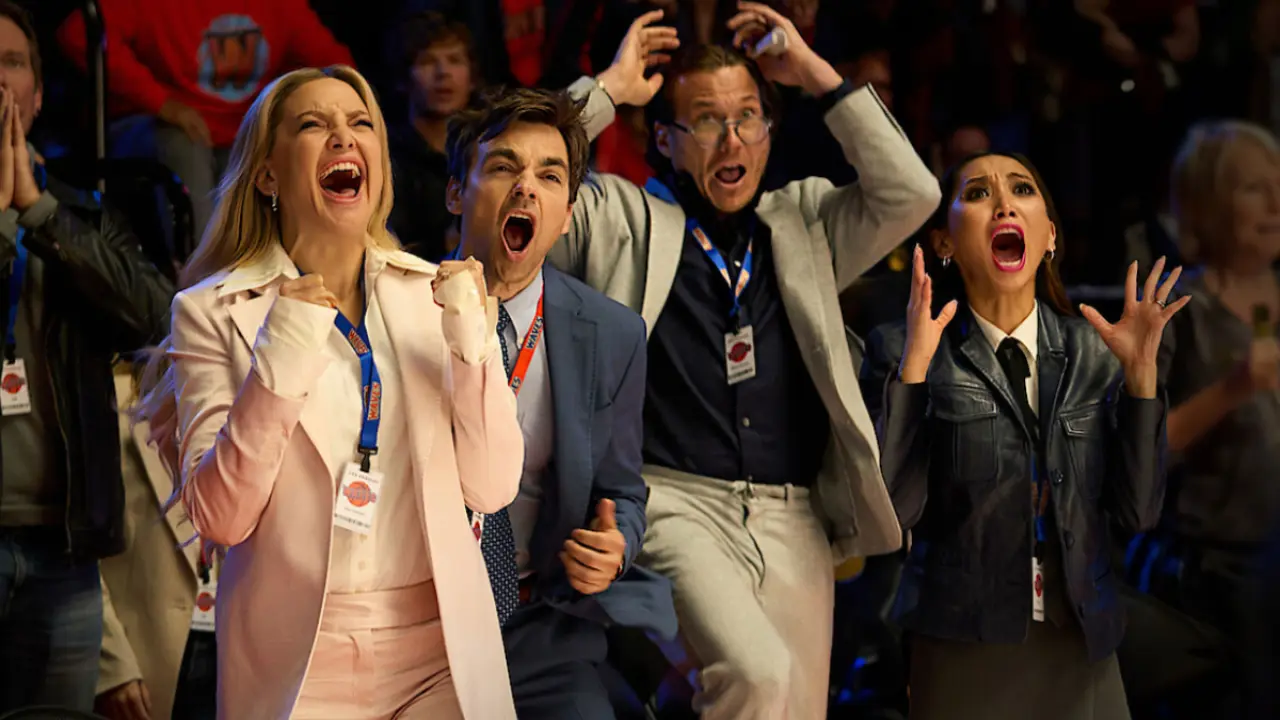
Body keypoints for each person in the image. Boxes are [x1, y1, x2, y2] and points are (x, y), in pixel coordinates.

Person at [549, 4, 941, 717]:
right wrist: (606, 89)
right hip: (675, 502)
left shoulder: (804, 222)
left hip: (794, 514)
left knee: (794, 704)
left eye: (748, 117)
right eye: (706, 121)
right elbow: (526, 179)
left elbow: (913, 193)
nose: (733, 139)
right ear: (664, 139)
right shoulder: (619, 217)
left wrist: (817, 76)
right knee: (756, 676)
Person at [135, 65, 522, 720]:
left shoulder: (433, 293)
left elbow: (491, 487)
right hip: (297, 662)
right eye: (313, 125)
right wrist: (284, 347)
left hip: (440, 652)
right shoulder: (209, 310)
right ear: (267, 175)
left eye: (360, 122)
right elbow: (221, 518)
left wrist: (472, 346)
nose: (344, 137)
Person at [860, 152, 1186, 719]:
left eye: (1022, 189)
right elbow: (894, 514)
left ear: (1049, 235)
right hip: (963, 644)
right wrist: (912, 374)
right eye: (978, 193)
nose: (1005, 204)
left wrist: (1140, 381)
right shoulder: (903, 349)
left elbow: (1138, 513)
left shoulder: (1094, 352)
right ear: (943, 242)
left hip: (1079, 638)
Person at [444, 73, 679, 720]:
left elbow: (623, 492)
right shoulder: (395, 312)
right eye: (503, 167)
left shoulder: (612, 333)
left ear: (567, 215)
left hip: (540, 626)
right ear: (456, 192)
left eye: (550, 176)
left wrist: (615, 544)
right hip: (418, 626)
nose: (527, 187)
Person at [0, 2, 175, 712]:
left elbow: (159, 322)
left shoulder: (85, 213)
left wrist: (36, 210)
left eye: (11, 63)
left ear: (39, 94)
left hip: (62, 554)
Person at [1153, 119, 1280, 717]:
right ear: (1206, 204)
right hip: (1223, 575)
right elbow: (1142, 452)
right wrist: (1234, 388)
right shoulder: (1180, 308)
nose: (1276, 202)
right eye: (1255, 188)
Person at [57, 0, 355, 237]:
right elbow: (78, 34)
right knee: (182, 145)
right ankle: (201, 279)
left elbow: (334, 65)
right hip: (155, 126)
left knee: (285, 148)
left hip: (239, 133)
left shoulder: (279, 5)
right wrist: (162, 103)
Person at [96, 361, 216, 720]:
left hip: (236, 657)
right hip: (146, 664)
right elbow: (79, 557)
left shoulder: (256, 422)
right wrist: (112, 665)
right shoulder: (114, 419)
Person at [387, 11, 478, 261]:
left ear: (472, 78)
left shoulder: (484, 152)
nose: (443, 73)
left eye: (455, 60)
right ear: (404, 78)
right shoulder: (386, 157)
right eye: (427, 61)